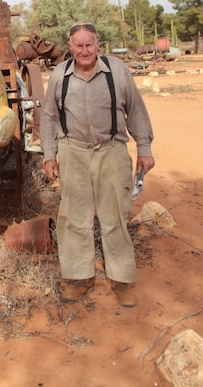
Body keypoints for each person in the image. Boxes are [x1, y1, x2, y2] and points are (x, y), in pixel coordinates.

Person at [41, 21, 155, 306]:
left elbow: (136, 109)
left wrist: (144, 146)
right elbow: (48, 118)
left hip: (111, 150)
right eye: (78, 45)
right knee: (73, 217)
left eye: (88, 44)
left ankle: (122, 279)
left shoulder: (116, 70)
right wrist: (49, 155)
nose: (84, 50)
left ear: (97, 44)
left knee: (114, 214)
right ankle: (79, 277)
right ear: (70, 47)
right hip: (73, 151)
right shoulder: (59, 75)